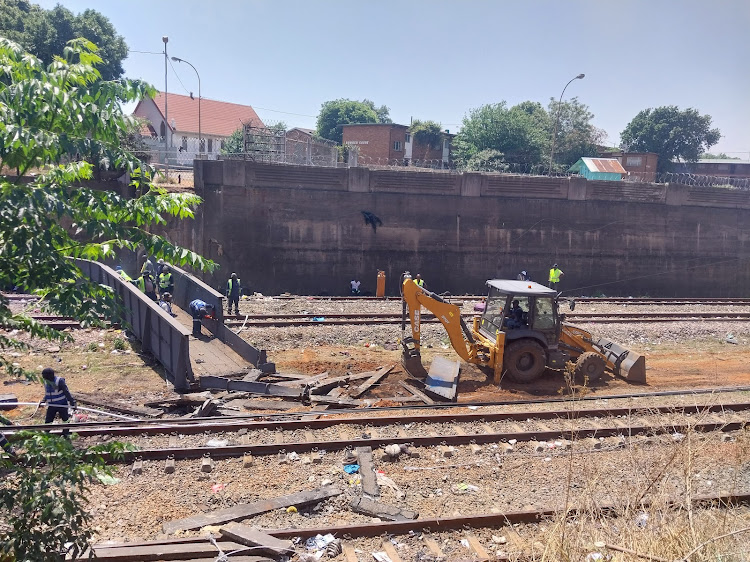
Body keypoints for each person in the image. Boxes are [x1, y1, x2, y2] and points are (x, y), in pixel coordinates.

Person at [40, 367, 76, 438]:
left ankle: (66, 434)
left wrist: (72, 402)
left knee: (65, 419)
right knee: (48, 420)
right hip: (51, 405)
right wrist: (43, 401)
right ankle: (46, 433)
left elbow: (66, 392)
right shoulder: (46, 382)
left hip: (62, 404)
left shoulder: (59, 381)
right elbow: (47, 393)